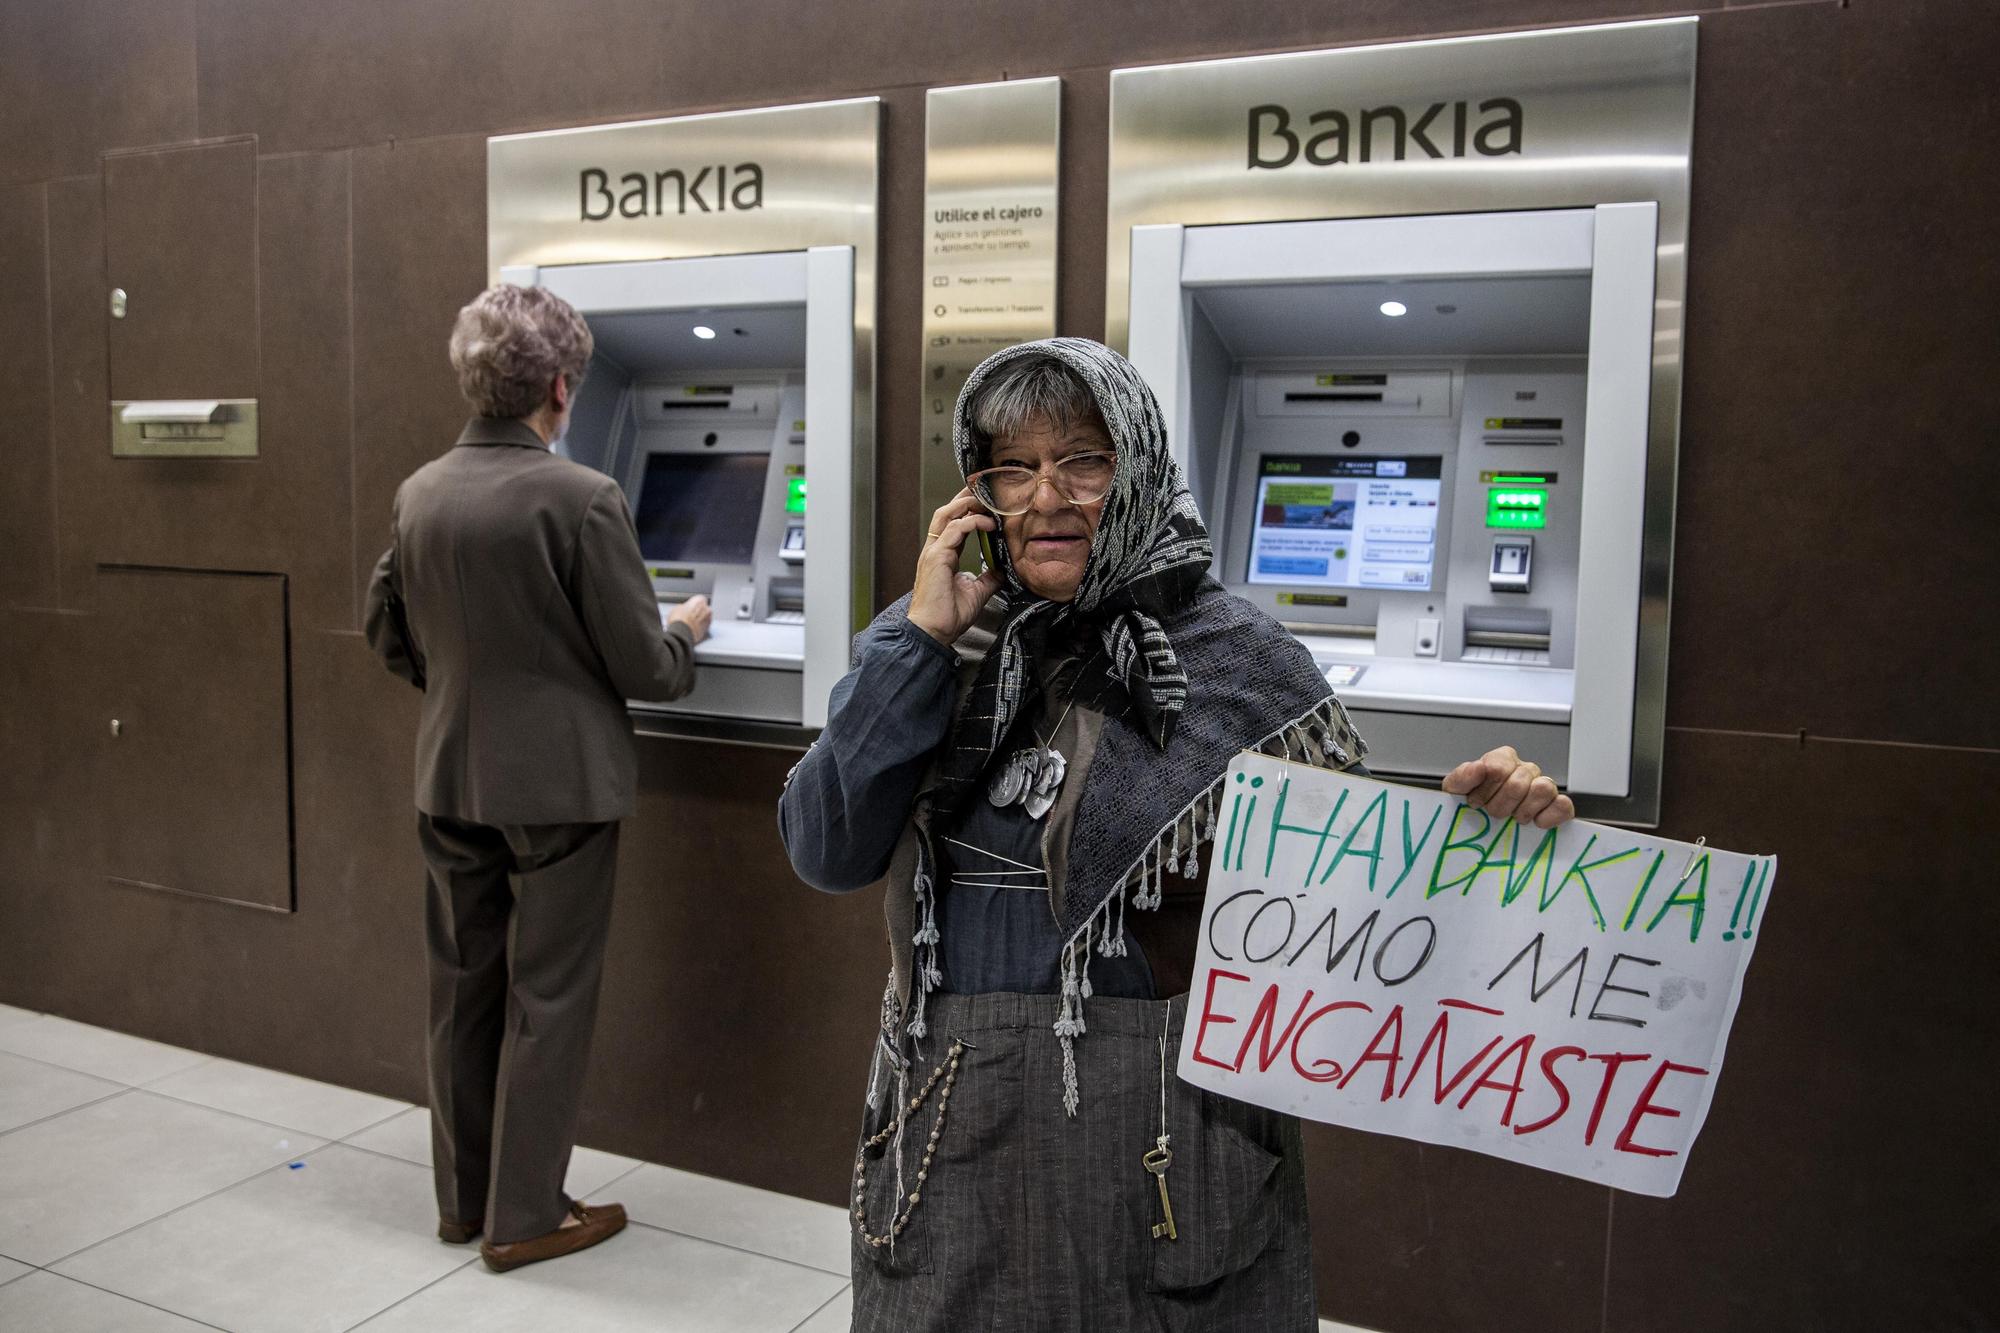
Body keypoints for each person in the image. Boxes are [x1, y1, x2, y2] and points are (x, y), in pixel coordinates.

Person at [778, 338, 1573, 1329]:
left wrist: (1488, 828)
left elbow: (1363, 916)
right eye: (1010, 467)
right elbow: (823, 849)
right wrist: (920, 648)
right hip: (956, 1122)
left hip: (1165, 1138)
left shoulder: (1242, 660)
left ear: (1141, 464)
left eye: (1082, 459)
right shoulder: (937, 638)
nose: (1045, 496)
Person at [364, 284, 713, 1273]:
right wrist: (684, 630)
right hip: (559, 791)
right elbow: (645, 668)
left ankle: (461, 1198)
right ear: (561, 386)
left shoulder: (421, 490)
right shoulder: (583, 498)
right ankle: (524, 1214)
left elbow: (387, 629)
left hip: (448, 779)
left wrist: (461, 695)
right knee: (548, 997)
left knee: (462, 987)